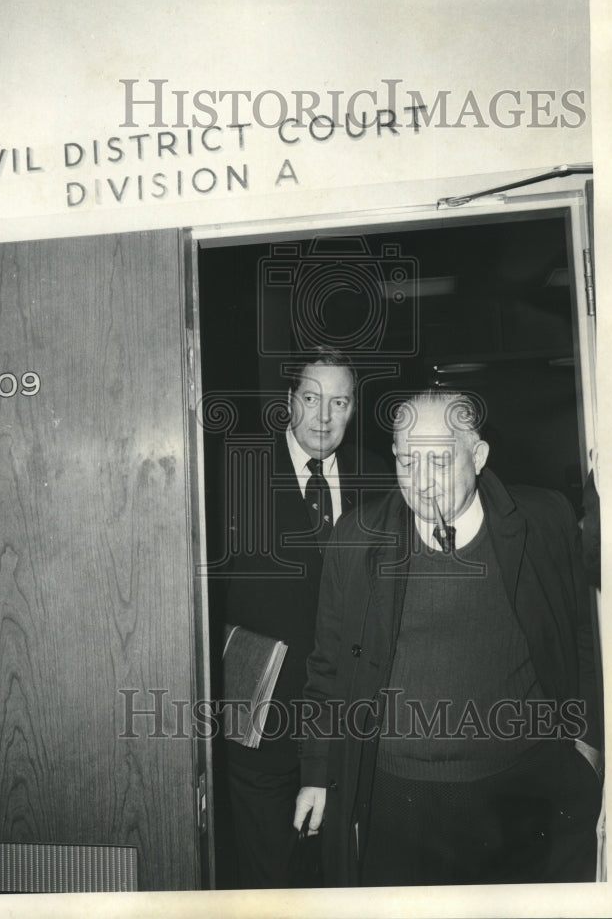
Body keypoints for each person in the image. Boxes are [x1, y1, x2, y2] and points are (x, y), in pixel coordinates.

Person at [294, 390, 603, 886]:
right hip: (398, 797)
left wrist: (590, 745)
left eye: (438, 460)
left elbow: (583, 638)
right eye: (405, 460)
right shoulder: (356, 539)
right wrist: (316, 773)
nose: (420, 482)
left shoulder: (546, 521)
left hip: (521, 786)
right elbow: (327, 667)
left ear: (477, 457)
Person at [221, 345, 386, 888]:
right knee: (268, 875)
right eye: (311, 398)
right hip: (262, 715)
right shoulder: (234, 472)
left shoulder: (379, 481)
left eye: (338, 402)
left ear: (353, 409)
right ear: (290, 402)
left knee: (341, 873)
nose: (323, 416)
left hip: (346, 721)